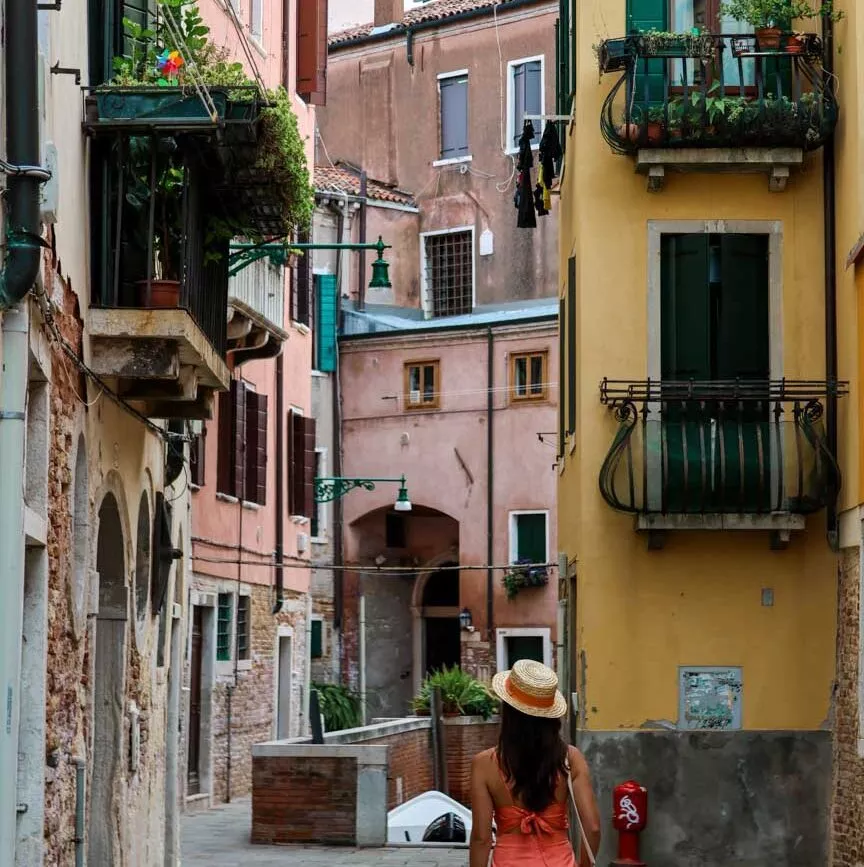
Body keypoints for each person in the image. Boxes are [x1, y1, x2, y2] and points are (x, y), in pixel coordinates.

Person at [469, 659, 601, 867]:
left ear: (508, 712)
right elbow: (592, 828)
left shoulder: (483, 764)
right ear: (550, 718)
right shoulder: (571, 758)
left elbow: (481, 838)